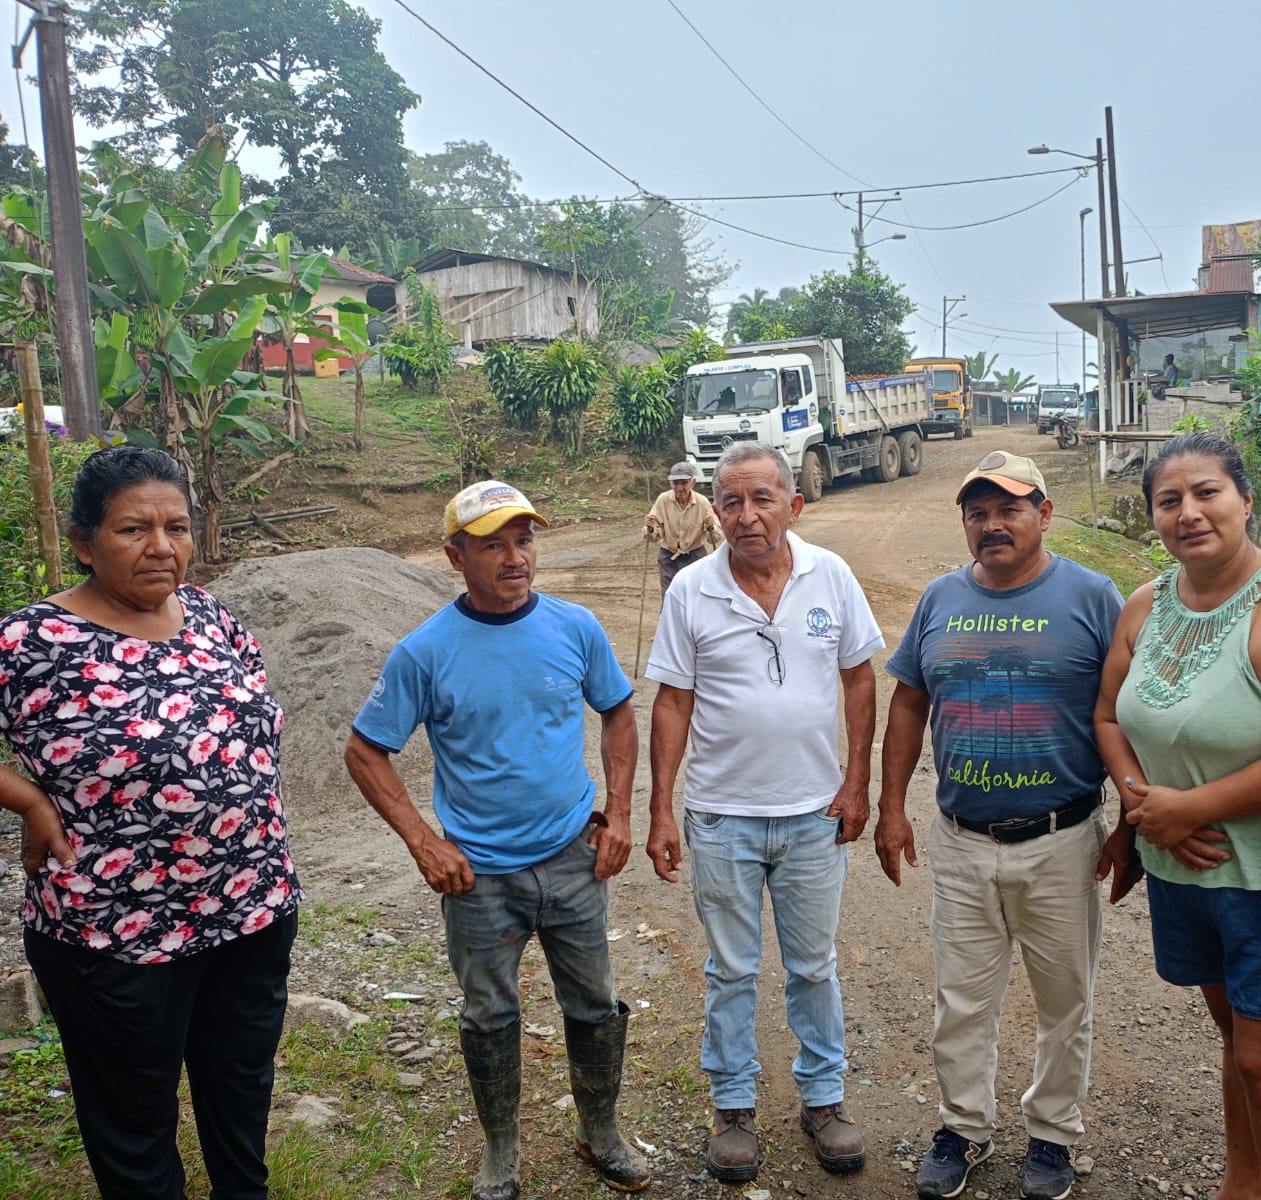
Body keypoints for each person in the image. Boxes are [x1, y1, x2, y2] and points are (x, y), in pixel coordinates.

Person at [0, 444, 300, 1200]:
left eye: (177, 527)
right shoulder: (31, 641)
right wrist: (29, 799)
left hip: (250, 908)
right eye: (134, 529)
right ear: (83, 542)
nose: (162, 547)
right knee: (134, 1124)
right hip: (115, 930)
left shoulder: (210, 616)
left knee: (240, 1092)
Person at [345, 480, 648, 1198]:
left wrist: (620, 812)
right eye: (492, 546)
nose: (515, 558)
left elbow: (618, 711)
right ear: (456, 557)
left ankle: (599, 1129)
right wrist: (424, 842)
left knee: (595, 1003)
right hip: (477, 878)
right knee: (488, 1014)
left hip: (574, 858)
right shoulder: (424, 652)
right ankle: (501, 1150)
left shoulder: (575, 627)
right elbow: (364, 751)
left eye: (524, 540)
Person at [1095, 432, 1261, 1200]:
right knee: (1238, 1046)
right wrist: (1141, 802)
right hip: (1185, 871)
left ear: (1245, 499)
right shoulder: (1147, 602)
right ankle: (1241, 1186)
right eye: (1168, 500)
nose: (1188, 512)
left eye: (1207, 492)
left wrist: (1188, 808)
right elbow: (1108, 714)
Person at [874, 450, 1125, 1200]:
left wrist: (1133, 819)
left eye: (1009, 509)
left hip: (1063, 839)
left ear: (1043, 513)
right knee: (961, 999)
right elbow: (908, 703)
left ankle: (1053, 1134)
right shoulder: (939, 598)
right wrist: (892, 807)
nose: (992, 525)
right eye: (977, 513)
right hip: (962, 840)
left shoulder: (1094, 596)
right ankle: (963, 1127)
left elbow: (1126, 711)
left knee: (1065, 1000)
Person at [644, 441, 883, 1183]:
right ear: (716, 511)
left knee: (814, 965)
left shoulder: (830, 575)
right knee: (731, 969)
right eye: (733, 501)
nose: (747, 515)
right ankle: (733, 1106)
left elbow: (859, 679)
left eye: (762, 498)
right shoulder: (692, 590)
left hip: (814, 813)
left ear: (794, 505)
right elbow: (672, 703)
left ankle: (824, 1098)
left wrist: (858, 780)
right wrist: (660, 809)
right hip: (722, 817)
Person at [644, 461, 720, 595]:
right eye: (675, 483)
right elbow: (653, 536)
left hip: (695, 556)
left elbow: (715, 538)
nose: (679, 488)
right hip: (669, 556)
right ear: (670, 483)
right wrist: (649, 528)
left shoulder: (702, 502)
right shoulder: (662, 500)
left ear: (693, 483)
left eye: (684, 483)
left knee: (696, 594)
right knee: (669, 595)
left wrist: (710, 527)